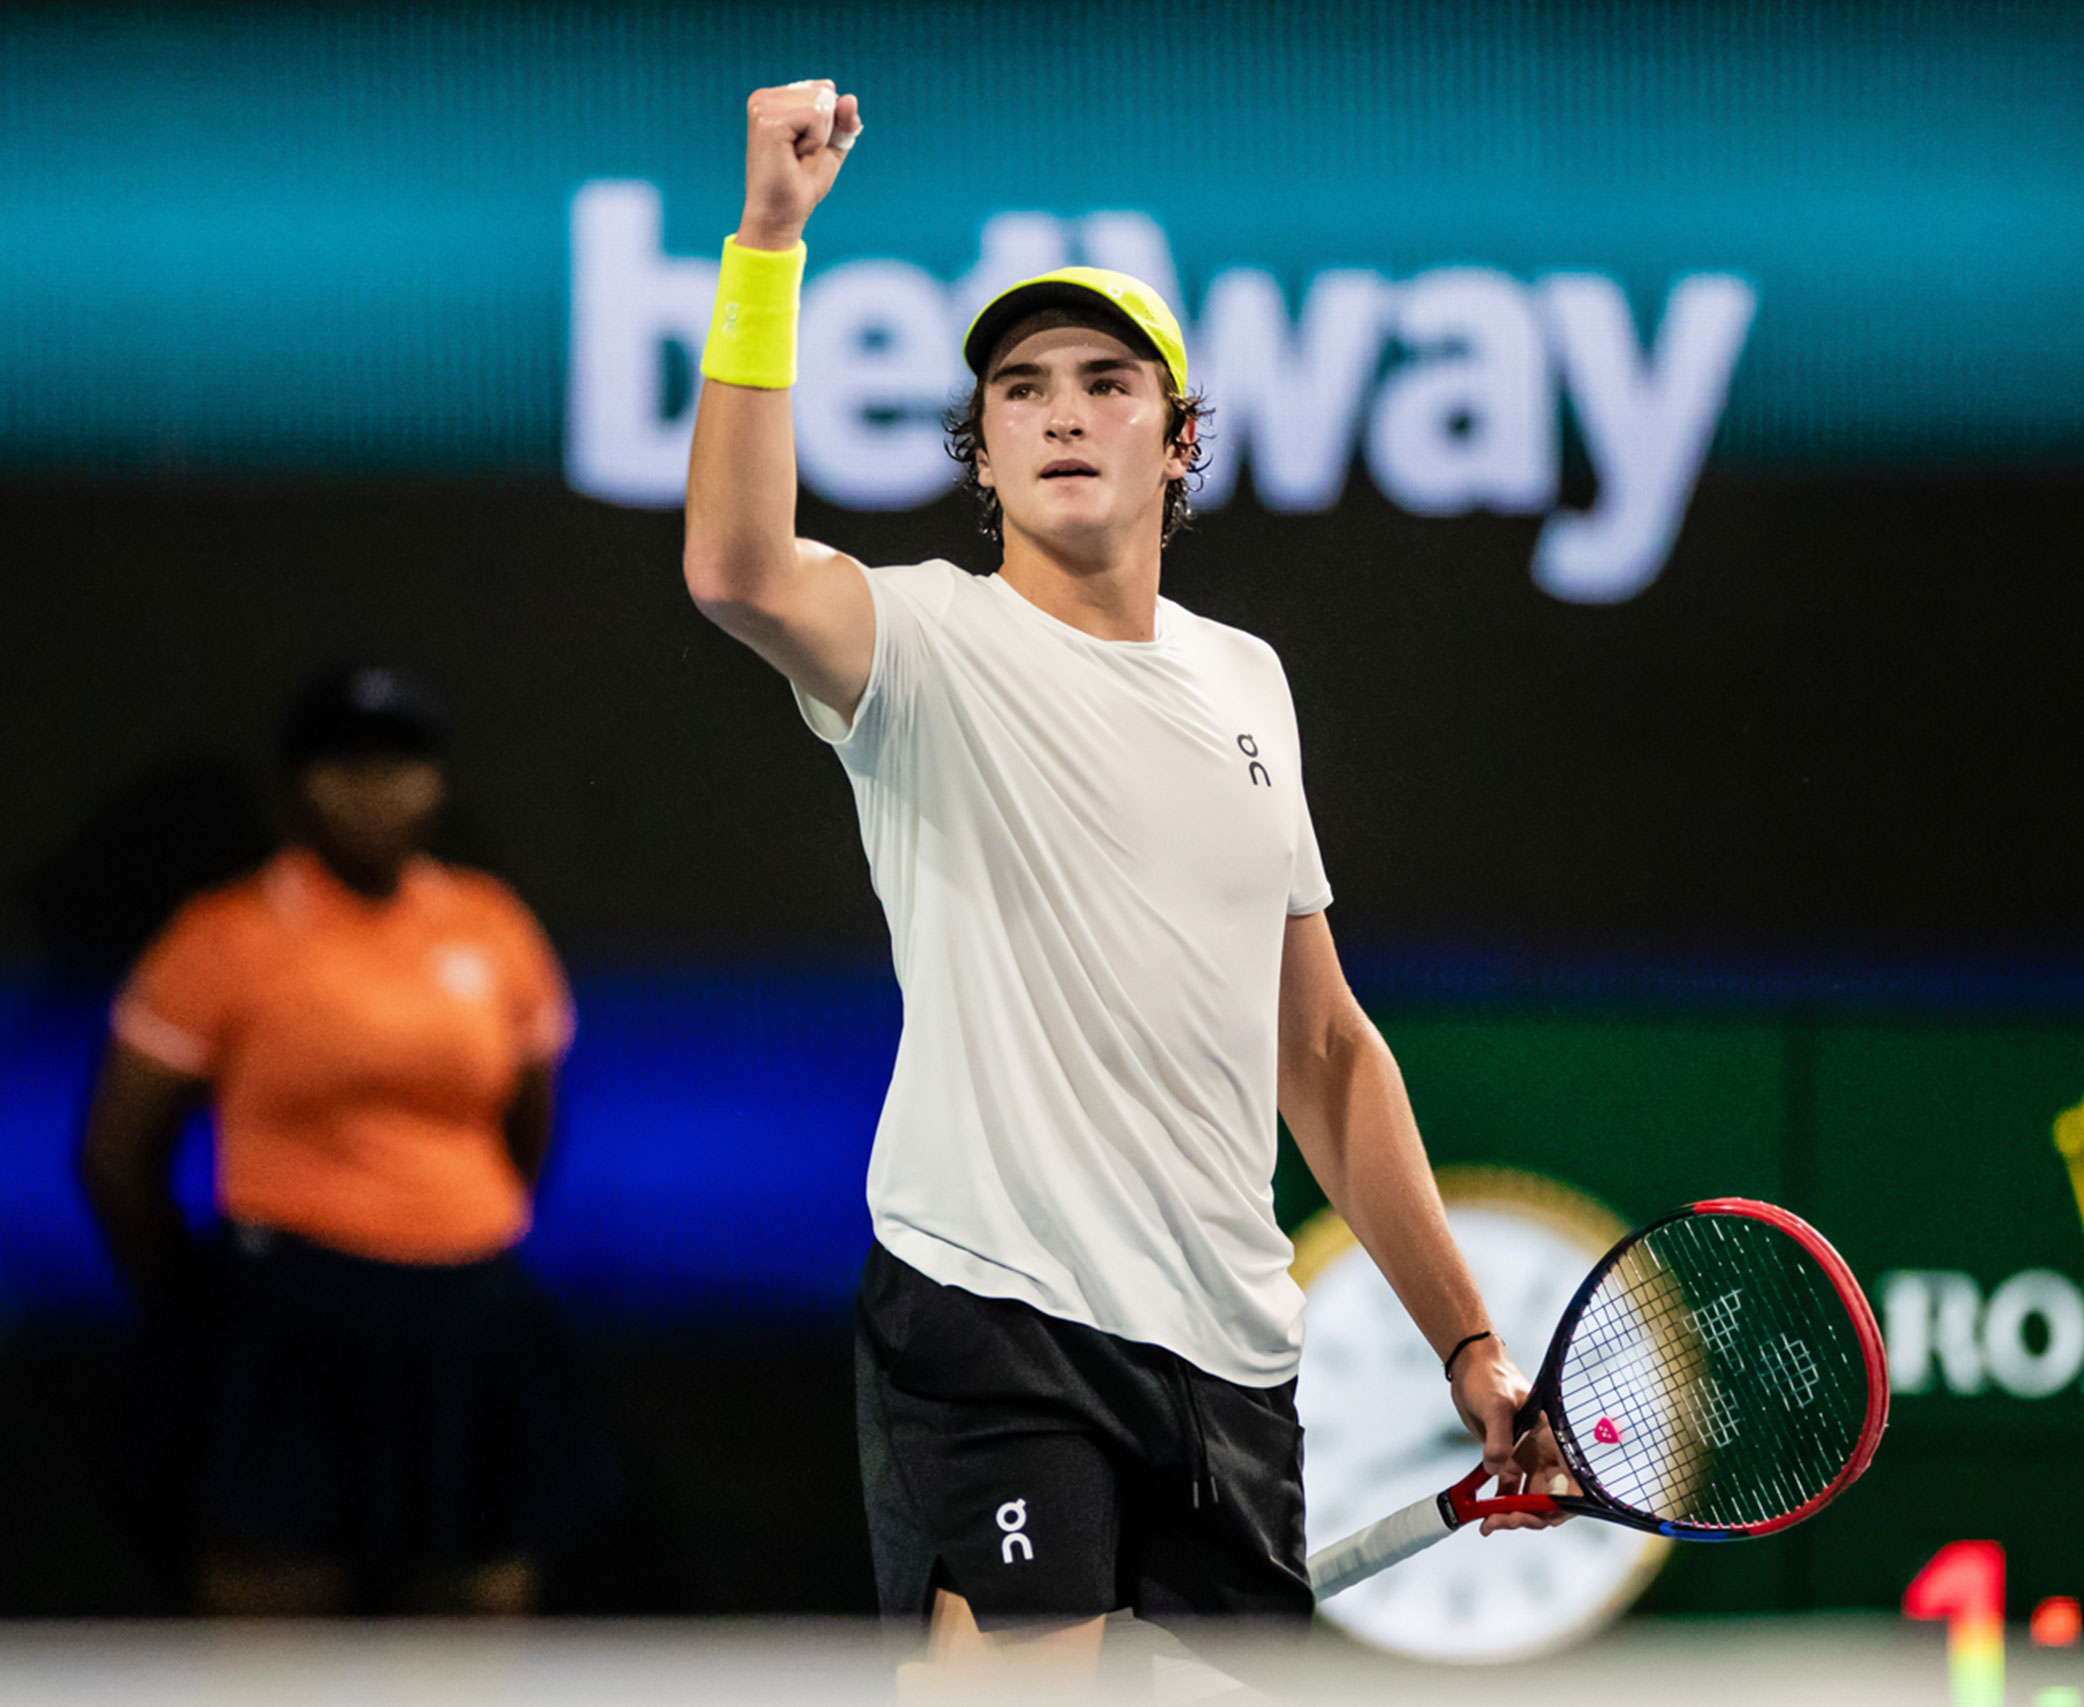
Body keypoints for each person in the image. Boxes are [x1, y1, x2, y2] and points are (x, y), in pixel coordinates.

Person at [681, 79, 1568, 1672]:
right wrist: (767, 242)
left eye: (1107, 383)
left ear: (1178, 442)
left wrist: (1472, 1343)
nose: (1064, 411)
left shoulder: (1248, 681)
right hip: (994, 1302)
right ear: (985, 449)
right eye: (1022, 389)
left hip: (1229, 1346)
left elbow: (1323, 1050)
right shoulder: (924, 643)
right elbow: (735, 567)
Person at [79, 665, 609, 1615]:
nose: (376, 793)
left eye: (402, 766)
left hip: (469, 1317)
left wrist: (452, 1227)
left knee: (474, 1608)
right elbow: (118, 1153)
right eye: (346, 767)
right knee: (274, 1623)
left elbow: (530, 1118)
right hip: (291, 1324)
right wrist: (198, 1300)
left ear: (437, 782)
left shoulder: (490, 924)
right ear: (296, 784)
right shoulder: (223, 934)